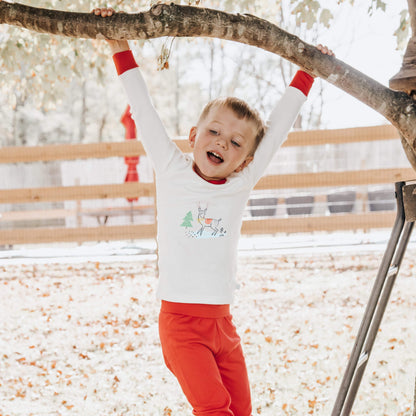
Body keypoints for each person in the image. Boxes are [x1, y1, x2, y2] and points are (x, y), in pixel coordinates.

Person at [92, 7, 333, 415]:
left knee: (241, 410)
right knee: (215, 408)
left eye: (237, 143)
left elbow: (275, 132)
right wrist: (120, 47)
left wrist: (306, 72)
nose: (223, 143)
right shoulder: (171, 172)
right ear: (194, 136)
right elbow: (144, 112)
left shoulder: (240, 184)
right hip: (181, 326)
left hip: (223, 325)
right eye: (215, 132)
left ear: (244, 161)